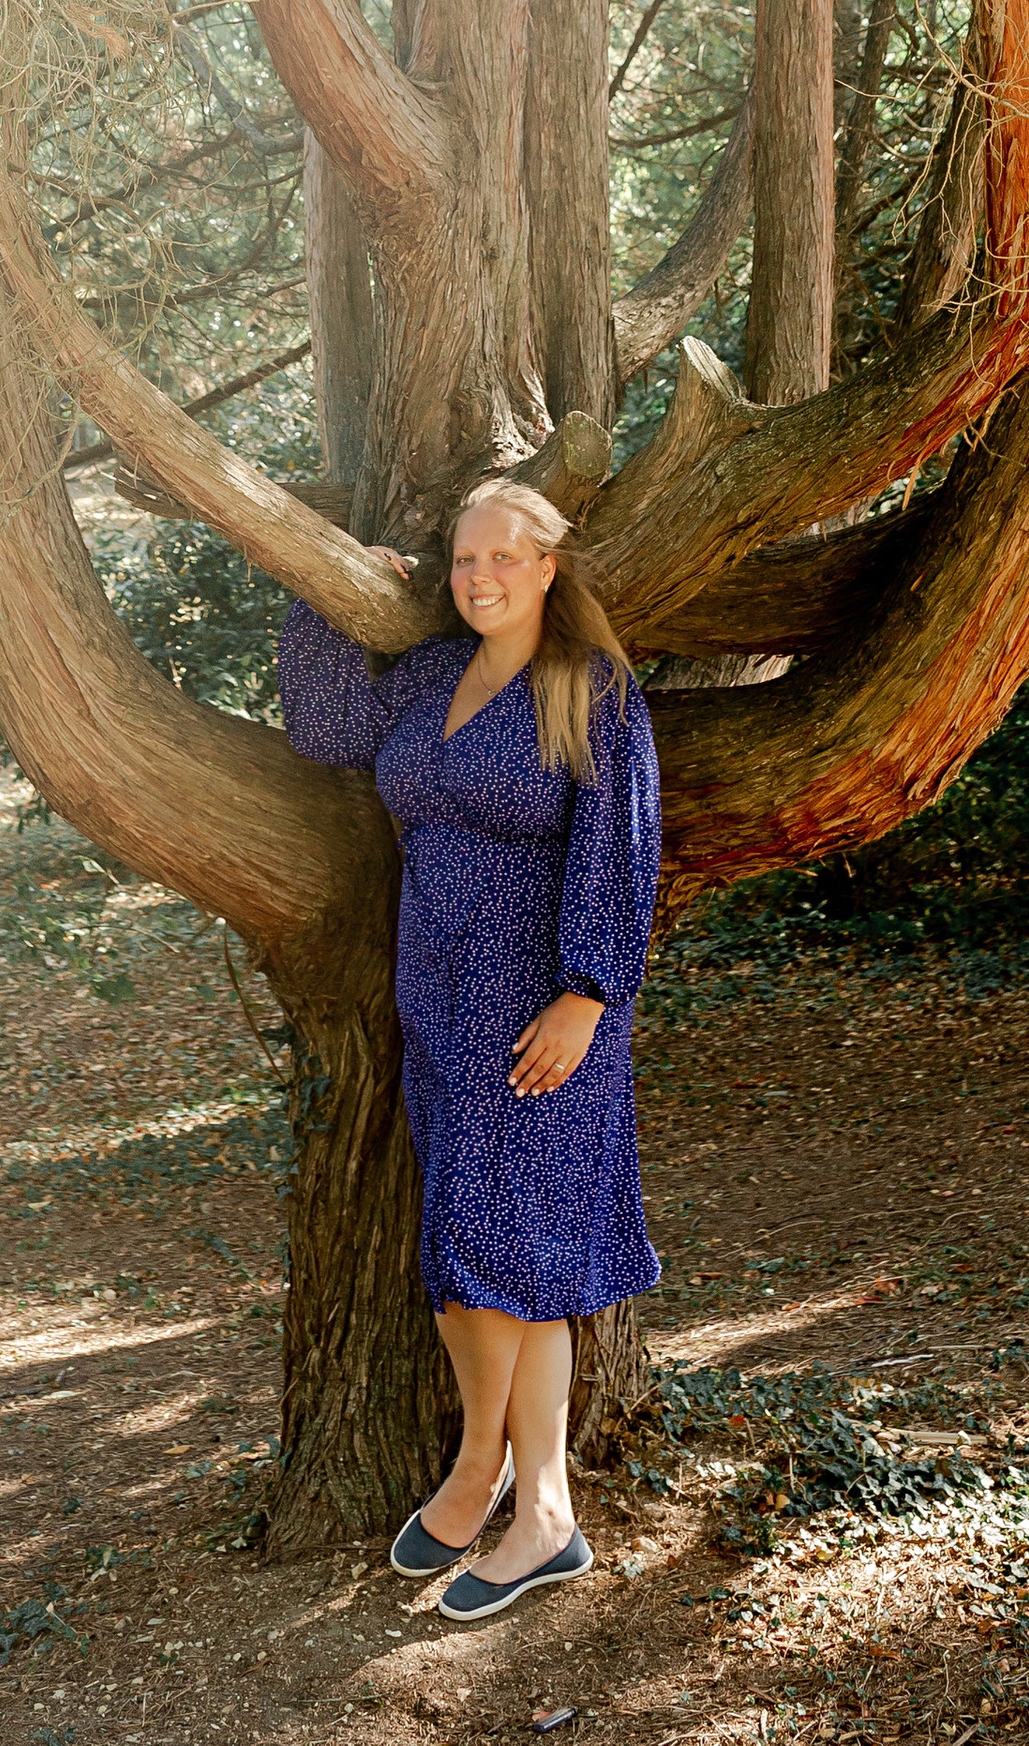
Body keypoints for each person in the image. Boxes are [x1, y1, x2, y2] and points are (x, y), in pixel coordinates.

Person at [277, 473, 661, 1623]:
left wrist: (588, 995)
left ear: (548, 567)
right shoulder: (432, 676)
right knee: (460, 1259)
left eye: (502, 557)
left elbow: (622, 844)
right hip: (437, 1007)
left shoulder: (589, 689)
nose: (478, 576)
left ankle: (520, 1495)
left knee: (512, 1258)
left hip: (540, 1014)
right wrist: (329, 599)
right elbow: (324, 729)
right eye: (462, 559)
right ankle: (505, 1485)